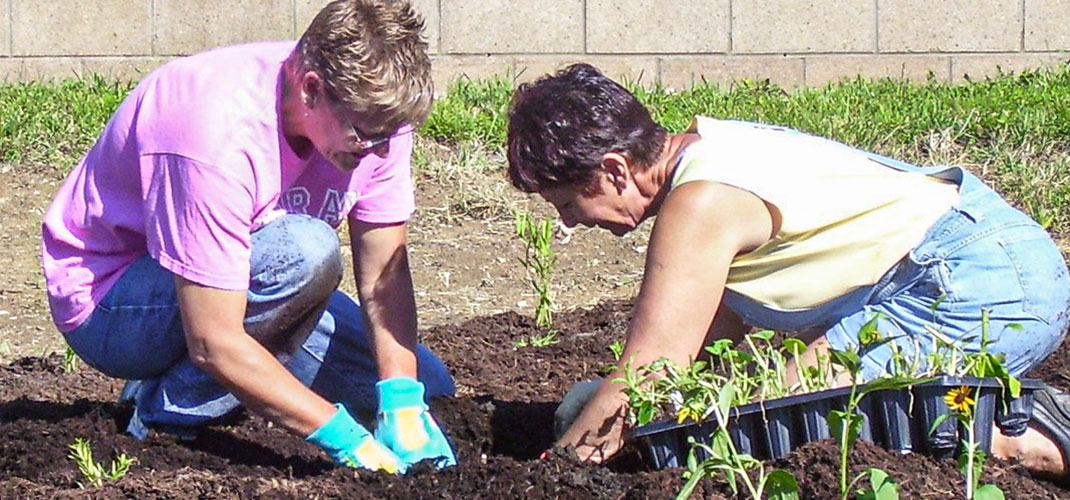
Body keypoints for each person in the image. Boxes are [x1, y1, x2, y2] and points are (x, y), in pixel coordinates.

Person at [506, 63, 1070, 483]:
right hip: (977, 263)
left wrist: (554, 475)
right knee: (760, 411)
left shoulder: (701, 204)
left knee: (812, 429)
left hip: (970, 279)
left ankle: (1036, 438)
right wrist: (613, 414)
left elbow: (649, 372)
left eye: (566, 204)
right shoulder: (711, 153)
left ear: (614, 170)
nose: (570, 223)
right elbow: (700, 353)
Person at [41, 0, 455, 473]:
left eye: (391, 134)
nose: (380, 149)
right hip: (115, 302)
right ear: (312, 90)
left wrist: (401, 402)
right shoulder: (213, 131)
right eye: (366, 134)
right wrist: (345, 437)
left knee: (430, 384)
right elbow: (213, 339)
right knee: (307, 252)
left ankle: (194, 387)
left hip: (249, 273)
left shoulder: (375, 116)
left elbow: (384, 268)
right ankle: (160, 413)